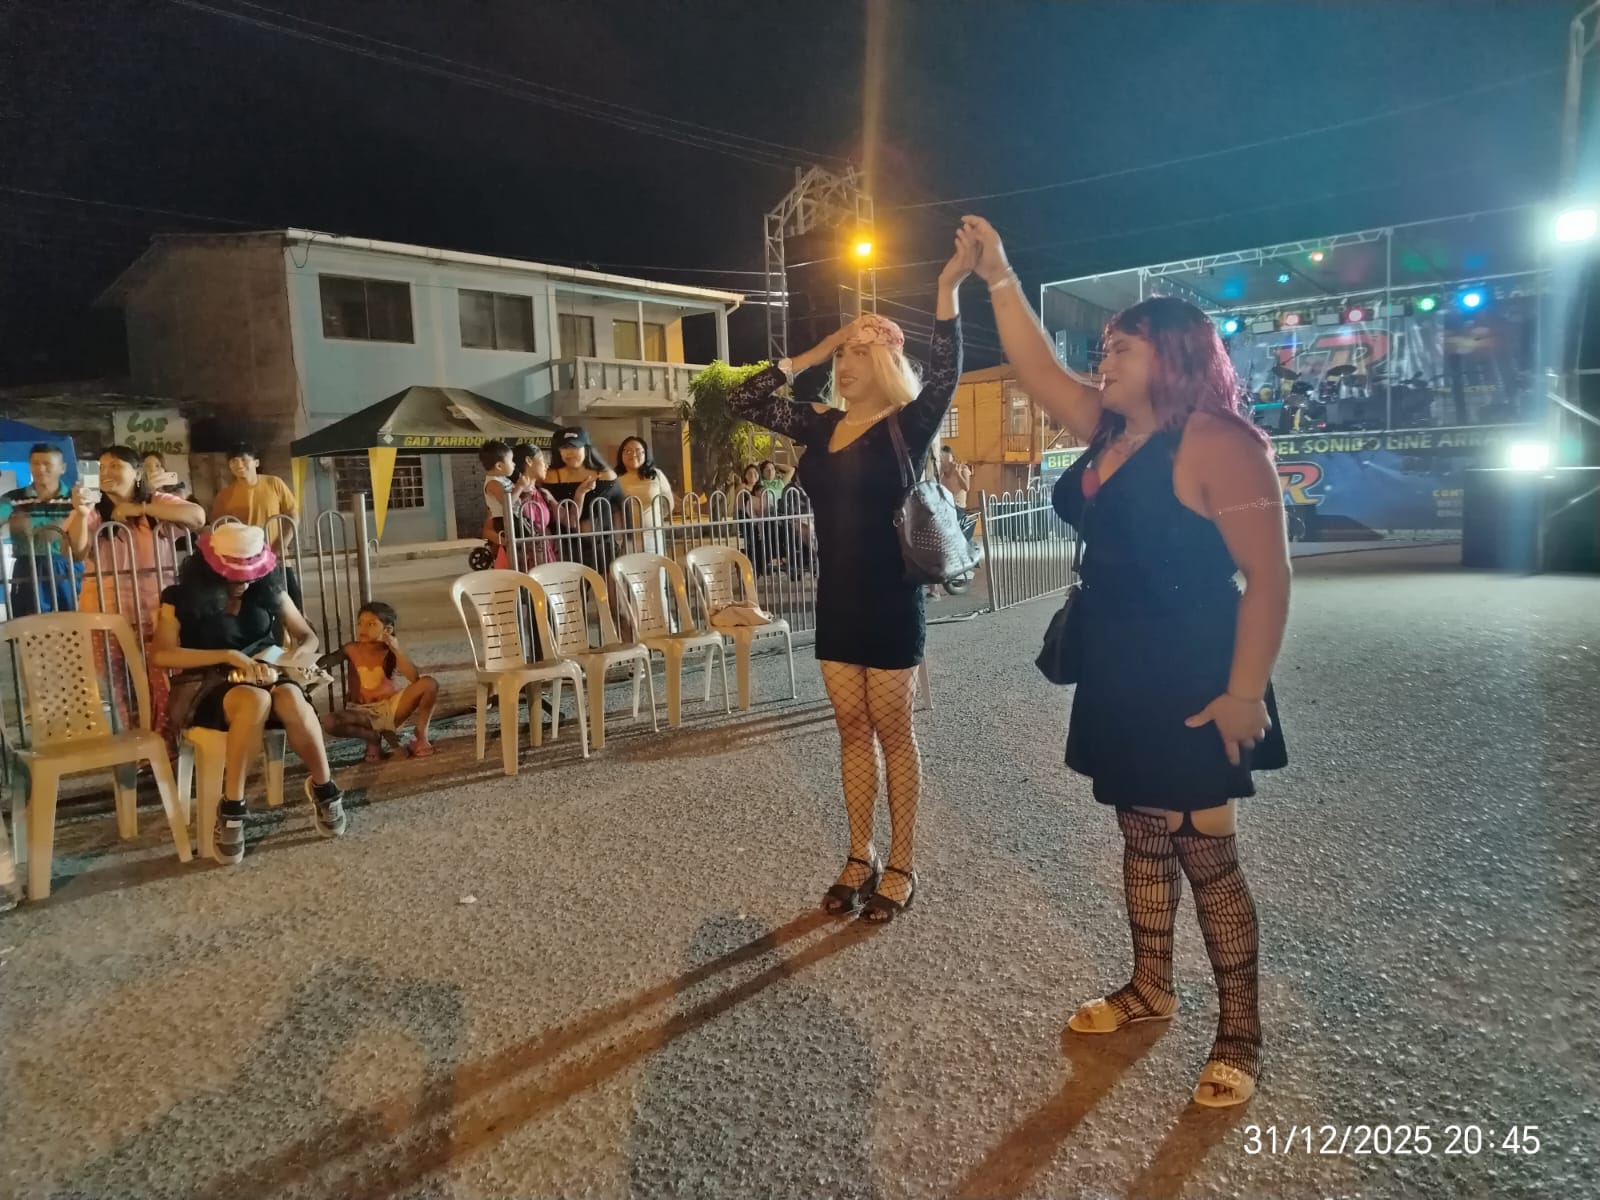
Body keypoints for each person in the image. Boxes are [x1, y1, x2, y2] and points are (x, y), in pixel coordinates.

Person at [966, 215, 1290, 1108]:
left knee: (1205, 849)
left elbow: (1268, 578)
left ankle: (1240, 1034)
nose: (1102, 361)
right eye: (1104, 347)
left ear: (1173, 357)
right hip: (1118, 661)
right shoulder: (1112, 429)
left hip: (1194, 668)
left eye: (1121, 348)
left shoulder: (1221, 442)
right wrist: (999, 275)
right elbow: (1039, 370)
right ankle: (1151, 986)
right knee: (1141, 832)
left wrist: (1245, 694)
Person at [727, 227, 974, 924]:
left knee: (894, 730)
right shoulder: (819, 423)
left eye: (861, 352)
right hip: (835, 599)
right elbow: (743, 400)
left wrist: (946, 288)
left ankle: (902, 862)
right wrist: (818, 347)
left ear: (887, 362)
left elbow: (947, 370)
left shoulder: (906, 426)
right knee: (849, 729)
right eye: (846, 353)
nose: (849, 362)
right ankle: (858, 855)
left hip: (892, 599)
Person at [150, 524, 347, 862]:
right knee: (255, 700)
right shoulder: (178, 597)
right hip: (206, 681)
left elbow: (307, 636)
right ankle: (233, 807)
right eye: (235, 576)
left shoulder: (269, 587)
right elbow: (162, 654)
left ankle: (324, 788)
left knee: (290, 698)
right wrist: (228, 656)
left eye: (250, 574)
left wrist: (293, 659)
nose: (243, 583)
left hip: (267, 672)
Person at [65, 445, 207, 739]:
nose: (107, 472)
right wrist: (80, 513)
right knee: (119, 689)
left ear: (137, 473)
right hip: (105, 616)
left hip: (156, 615)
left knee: (162, 685)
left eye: (116, 466)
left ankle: (165, 747)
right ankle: (137, 747)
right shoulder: (94, 511)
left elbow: (196, 517)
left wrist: (140, 509)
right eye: (103, 467)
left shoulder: (156, 503)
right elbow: (76, 551)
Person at [320, 600, 438, 761]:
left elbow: (413, 678)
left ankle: (421, 736)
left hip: (389, 710)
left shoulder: (389, 651)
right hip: (361, 713)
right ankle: (371, 737)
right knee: (330, 722)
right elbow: (326, 662)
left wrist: (395, 649)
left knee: (429, 684)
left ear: (387, 630)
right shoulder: (351, 649)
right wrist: (306, 664)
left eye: (371, 624)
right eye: (360, 623)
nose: (363, 629)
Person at [211, 441, 301, 606]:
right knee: (255, 609)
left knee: (293, 605)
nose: (238, 465)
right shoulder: (224, 495)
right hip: (245, 565)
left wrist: (280, 546)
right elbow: (218, 528)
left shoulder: (274, 483)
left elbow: (293, 514)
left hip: (277, 558)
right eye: (233, 461)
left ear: (256, 462)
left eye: (244, 459)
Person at [2, 443, 80, 616]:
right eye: (35, 463)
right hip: (27, 566)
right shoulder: (12, 498)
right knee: (27, 622)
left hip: (66, 566)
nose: (40, 469)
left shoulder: (75, 499)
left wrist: (28, 525)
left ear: (62, 468)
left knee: (70, 620)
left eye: (47, 464)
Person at [545, 427, 622, 570]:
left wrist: (619, 537)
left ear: (586, 448)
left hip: (602, 546)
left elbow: (618, 506)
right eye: (564, 448)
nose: (570, 452)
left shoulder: (606, 476)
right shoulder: (550, 477)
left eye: (575, 447)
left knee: (604, 582)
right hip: (565, 547)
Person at [615, 435, 674, 555]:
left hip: (653, 536)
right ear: (621, 455)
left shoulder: (656, 475)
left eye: (638, 451)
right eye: (628, 451)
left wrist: (654, 518)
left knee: (655, 565)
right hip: (627, 538)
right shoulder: (615, 478)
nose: (633, 454)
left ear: (645, 453)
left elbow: (668, 503)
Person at [510, 442, 558, 565]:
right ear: (529, 461)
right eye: (543, 460)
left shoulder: (541, 492)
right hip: (526, 557)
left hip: (545, 552)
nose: (547, 465)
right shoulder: (511, 491)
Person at [479, 440, 518, 569]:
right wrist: (521, 487)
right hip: (502, 521)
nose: (514, 464)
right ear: (499, 466)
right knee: (511, 552)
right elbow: (507, 503)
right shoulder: (493, 483)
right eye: (511, 461)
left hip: (511, 518)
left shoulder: (503, 479)